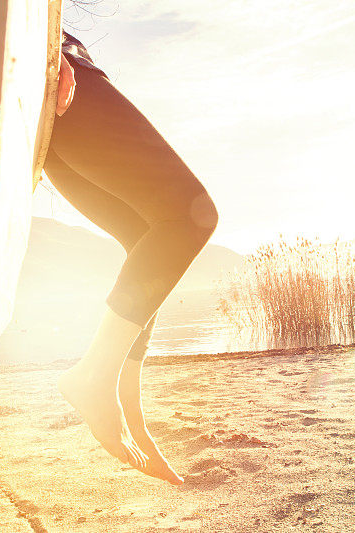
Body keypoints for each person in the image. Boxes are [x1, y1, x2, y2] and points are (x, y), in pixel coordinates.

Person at [46, 30, 218, 485]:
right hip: (61, 73)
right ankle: (94, 378)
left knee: (146, 236)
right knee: (191, 216)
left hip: (42, 99)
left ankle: (130, 410)